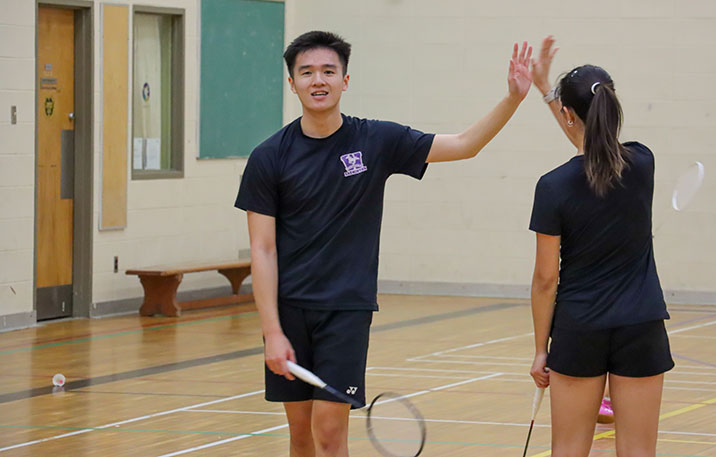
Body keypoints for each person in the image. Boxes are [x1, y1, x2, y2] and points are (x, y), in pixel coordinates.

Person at [235, 31, 532, 457]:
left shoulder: (375, 141)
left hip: (346, 311)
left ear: (345, 81)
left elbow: (465, 145)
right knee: (300, 436)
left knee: (330, 433)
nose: (318, 80)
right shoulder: (269, 157)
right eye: (307, 72)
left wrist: (513, 99)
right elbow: (262, 250)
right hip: (290, 311)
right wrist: (272, 332)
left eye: (328, 71)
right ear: (292, 83)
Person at [528, 36, 674, 457]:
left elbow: (544, 279)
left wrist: (541, 350)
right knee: (638, 451)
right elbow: (592, 145)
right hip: (641, 325)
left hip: (579, 329)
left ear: (568, 113)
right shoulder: (643, 163)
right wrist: (550, 93)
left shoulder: (552, 186)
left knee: (570, 449)